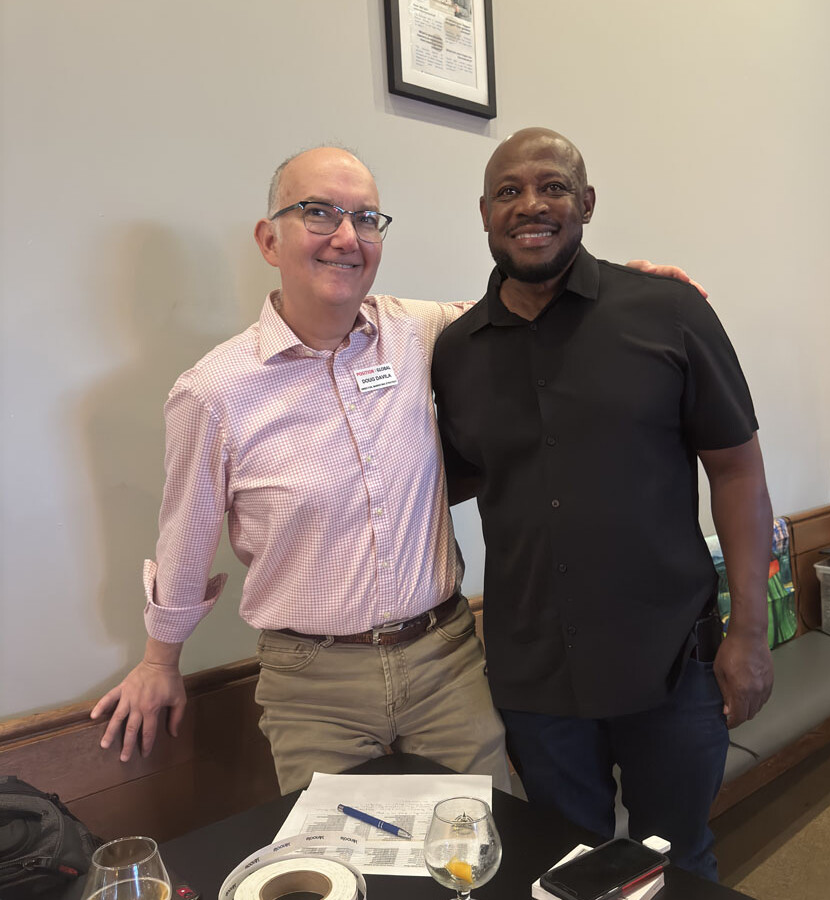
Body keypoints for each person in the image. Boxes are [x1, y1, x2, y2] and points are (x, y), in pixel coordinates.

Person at [90, 145, 699, 796]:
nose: (347, 238)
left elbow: (529, 307)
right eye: (319, 213)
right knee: (339, 873)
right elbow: (186, 535)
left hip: (445, 661)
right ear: (270, 239)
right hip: (312, 681)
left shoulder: (416, 333)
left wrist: (627, 291)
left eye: (368, 218)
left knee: (491, 850)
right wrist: (161, 660)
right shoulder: (214, 391)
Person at [431, 128, 774, 879]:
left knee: (676, 864)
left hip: (671, 666)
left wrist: (751, 630)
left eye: (553, 186)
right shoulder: (455, 351)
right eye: (508, 191)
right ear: (483, 213)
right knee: (565, 869)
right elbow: (449, 475)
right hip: (534, 678)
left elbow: (738, 471)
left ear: (586, 203)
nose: (531, 205)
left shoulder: (669, 312)